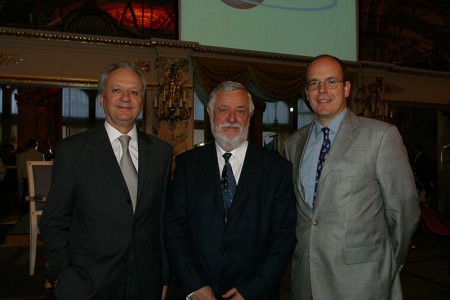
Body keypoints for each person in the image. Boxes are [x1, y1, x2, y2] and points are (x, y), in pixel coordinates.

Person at [284, 54, 420, 300]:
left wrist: (388, 261)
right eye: (314, 83)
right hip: (306, 281)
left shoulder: (380, 137)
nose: (322, 90)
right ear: (306, 92)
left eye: (331, 81)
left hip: (363, 281)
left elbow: (404, 210)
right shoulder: (294, 143)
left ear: (346, 88)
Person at [40, 62, 173, 300]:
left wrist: (164, 276)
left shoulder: (162, 153)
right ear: (101, 99)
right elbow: (54, 221)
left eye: (134, 92)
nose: (126, 98)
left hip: (147, 282)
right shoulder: (72, 151)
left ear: (142, 102)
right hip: (89, 285)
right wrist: (64, 277)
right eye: (116, 90)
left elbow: (162, 221)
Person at [164, 81, 296, 300]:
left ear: (250, 116)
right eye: (224, 110)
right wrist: (194, 285)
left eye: (240, 111)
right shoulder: (187, 165)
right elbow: (174, 229)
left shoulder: (278, 169)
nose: (232, 119)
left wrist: (252, 290)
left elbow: (283, 237)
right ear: (209, 113)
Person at [16, 138, 45, 210]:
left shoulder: (21, 156)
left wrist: (19, 180)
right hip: (37, 182)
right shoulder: (40, 155)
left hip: (25, 180)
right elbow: (42, 170)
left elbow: (19, 170)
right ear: (36, 145)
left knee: (24, 202)